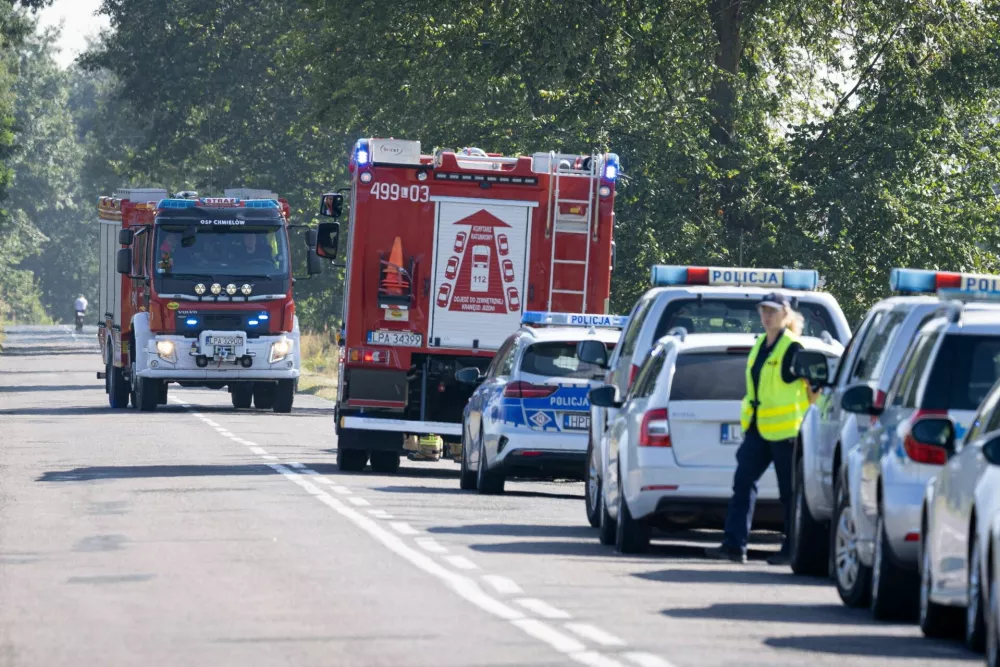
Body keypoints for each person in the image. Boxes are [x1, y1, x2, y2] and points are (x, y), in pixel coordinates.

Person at [705, 292, 817, 565]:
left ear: (785, 315)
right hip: (758, 428)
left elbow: (814, 388)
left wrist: (809, 423)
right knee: (742, 484)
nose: (767, 316)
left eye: (772, 311)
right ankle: (734, 546)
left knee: (789, 493)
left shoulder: (793, 348)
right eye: (764, 310)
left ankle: (792, 550)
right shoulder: (760, 345)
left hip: (787, 433)